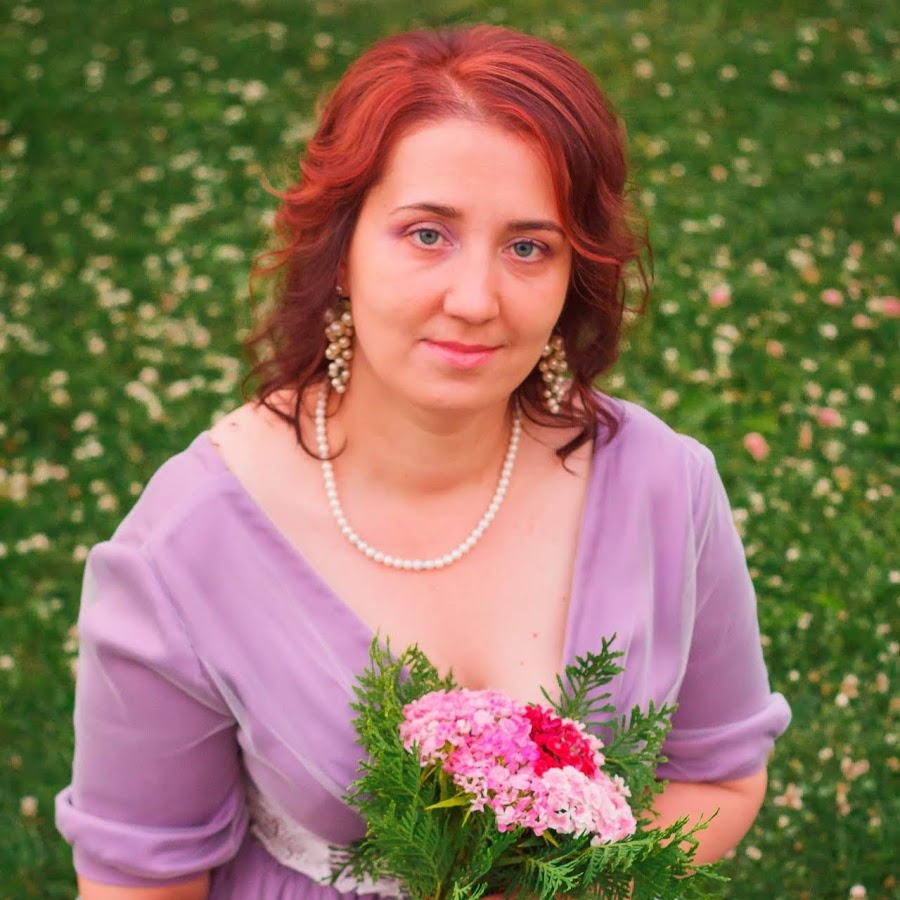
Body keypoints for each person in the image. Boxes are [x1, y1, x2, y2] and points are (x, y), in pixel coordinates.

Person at [56, 24, 790, 900]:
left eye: (528, 246)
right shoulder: (185, 548)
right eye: (428, 234)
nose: (475, 299)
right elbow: (141, 878)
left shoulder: (664, 485)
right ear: (341, 252)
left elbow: (719, 776)